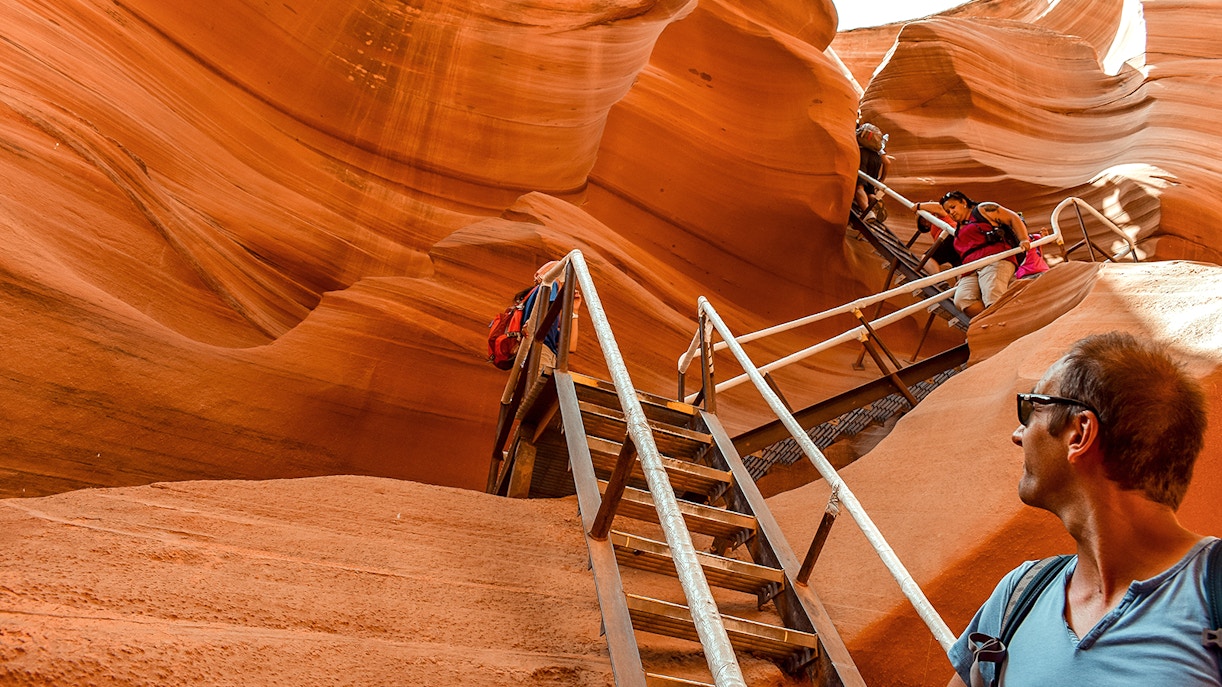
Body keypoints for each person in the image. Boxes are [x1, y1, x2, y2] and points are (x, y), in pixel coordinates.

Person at [947, 332, 1217, 687]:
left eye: (1031, 408)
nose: (1019, 434)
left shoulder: (1213, 593)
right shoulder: (1019, 594)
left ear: (1079, 433)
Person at [915, 191, 1031, 318]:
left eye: (953, 207)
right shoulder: (959, 229)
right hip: (970, 269)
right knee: (962, 300)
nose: (951, 213)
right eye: (948, 211)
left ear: (964, 202)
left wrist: (1024, 239)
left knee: (992, 293)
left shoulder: (982, 210)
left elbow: (1013, 217)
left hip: (994, 260)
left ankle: (1000, 322)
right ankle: (996, 319)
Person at [520, 260, 580, 373]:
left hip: (544, 355)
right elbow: (552, 303)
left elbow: (570, 346)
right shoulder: (550, 285)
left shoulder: (545, 317)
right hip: (540, 353)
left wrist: (574, 310)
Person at [854, 123, 891, 221]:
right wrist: (881, 180)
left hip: (863, 155)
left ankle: (867, 212)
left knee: (859, 187)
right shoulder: (878, 146)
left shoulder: (858, 135)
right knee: (869, 190)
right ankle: (874, 200)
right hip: (876, 160)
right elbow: (887, 162)